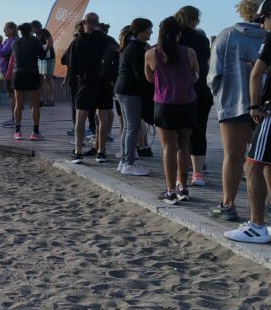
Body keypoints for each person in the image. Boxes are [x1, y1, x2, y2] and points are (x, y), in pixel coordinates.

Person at [226, 0, 271, 244]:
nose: (262, 25)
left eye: (263, 19)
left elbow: (256, 74)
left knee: (253, 165)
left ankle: (256, 226)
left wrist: (254, 105)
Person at [209, 0, 271, 222]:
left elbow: (214, 75)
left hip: (233, 102)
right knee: (269, 158)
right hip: (266, 105)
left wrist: (219, 94)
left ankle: (228, 204)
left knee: (232, 155)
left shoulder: (227, 35)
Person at [145, 16, 199, 204]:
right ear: (179, 34)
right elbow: (195, 76)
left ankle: (170, 191)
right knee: (183, 147)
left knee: (168, 149)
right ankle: (183, 187)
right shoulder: (190, 52)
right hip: (187, 102)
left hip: (164, 104)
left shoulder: (151, 54)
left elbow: (150, 78)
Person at [67, 12, 113, 164]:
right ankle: (101, 152)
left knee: (81, 117)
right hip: (104, 83)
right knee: (103, 118)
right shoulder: (107, 40)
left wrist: (81, 76)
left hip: (86, 83)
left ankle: (78, 152)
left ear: (85, 22)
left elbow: (72, 67)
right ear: (97, 23)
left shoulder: (77, 42)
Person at [175, 6, 213, 187]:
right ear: (195, 19)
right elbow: (205, 63)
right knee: (199, 131)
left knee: (179, 133)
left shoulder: (171, 37)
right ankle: (197, 173)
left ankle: (178, 173)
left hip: (176, 91)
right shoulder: (200, 39)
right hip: (199, 89)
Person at [114, 18, 153, 177]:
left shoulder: (128, 46)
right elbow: (140, 74)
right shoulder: (136, 48)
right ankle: (129, 163)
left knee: (128, 127)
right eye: (149, 29)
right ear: (141, 31)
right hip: (130, 91)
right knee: (132, 127)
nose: (151, 32)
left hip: (122, 89)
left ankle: (124, 161)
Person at [11, 22, 45, 140]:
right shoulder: (36, 41)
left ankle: (17, 132)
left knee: (18, 104)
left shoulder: (15, 42)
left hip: (17, 73)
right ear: (30, 30)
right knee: (34, 105)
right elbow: (43, 56)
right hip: (31, 73)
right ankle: (35, 132)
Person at [0, 22, 18, 127]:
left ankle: (14, 119)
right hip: (10, 71)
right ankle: (15, 118)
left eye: (6, 29)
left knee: (13, 96)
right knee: (14, 96)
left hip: (10, 72)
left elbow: (1, 53)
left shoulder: (11, 40)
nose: (4, 31)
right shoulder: (12, 40)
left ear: (12, 29)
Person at [32, 20, 57, 106]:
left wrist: (44, 52)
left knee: (48, 77)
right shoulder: (37, 35)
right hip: (42, 59)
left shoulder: (44, 32)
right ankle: (40, 99)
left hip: (49, 58)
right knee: (41, 78)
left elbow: (50, 42)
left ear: (35, 27)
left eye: (32, 28)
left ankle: (51, 99)